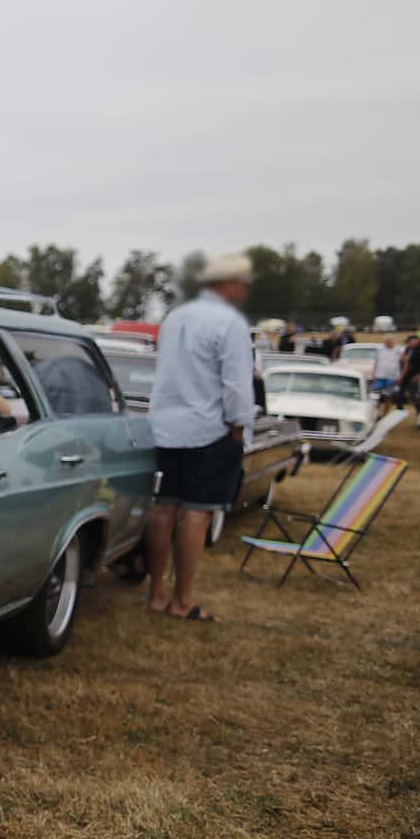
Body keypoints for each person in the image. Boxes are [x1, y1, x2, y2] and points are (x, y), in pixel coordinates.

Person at [144, 252, 256, 622]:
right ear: (230, 284)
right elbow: (237, 383)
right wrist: (239, 427)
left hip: (165, 425)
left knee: (163, 510)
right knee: (197, 514)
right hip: (208, 428)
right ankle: (183, 599)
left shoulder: (175, 317)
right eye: (242, 283)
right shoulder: (230, 323)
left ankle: (157, 593)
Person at [372, 334, 402, 401]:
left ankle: (386, 410)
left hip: (392, 378)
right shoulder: (380, 350)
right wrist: (373, 374)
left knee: (388, 396)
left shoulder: (398, 350)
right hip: (379, 377)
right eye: (386, 341)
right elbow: (376, 363)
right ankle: (376, 408)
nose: (388, 342)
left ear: (393, 341)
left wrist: (401, 375)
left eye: (389, 341)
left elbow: (405, 363)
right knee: (376, 395)